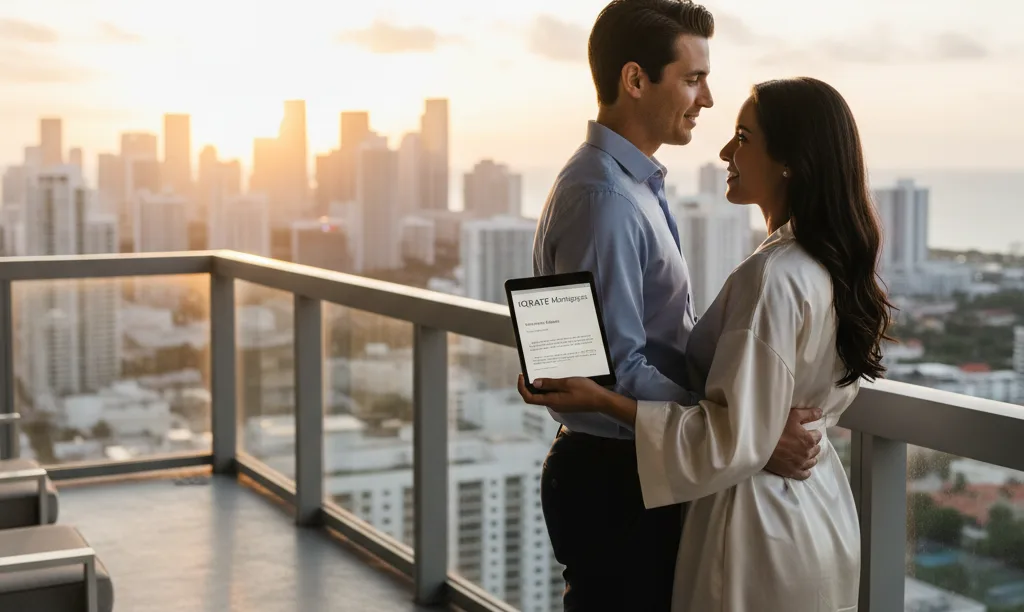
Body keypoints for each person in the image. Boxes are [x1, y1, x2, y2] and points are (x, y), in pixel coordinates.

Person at [521, 76, 895, 611]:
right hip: (816, 508)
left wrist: (601, 398)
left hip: (757, 524)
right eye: (693, 78)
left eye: (743, 136)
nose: (724, 148)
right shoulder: (828, 265)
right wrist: (760, 432)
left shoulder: (773, 276)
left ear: (791, 160)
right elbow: (748, 426)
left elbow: (730, 435)